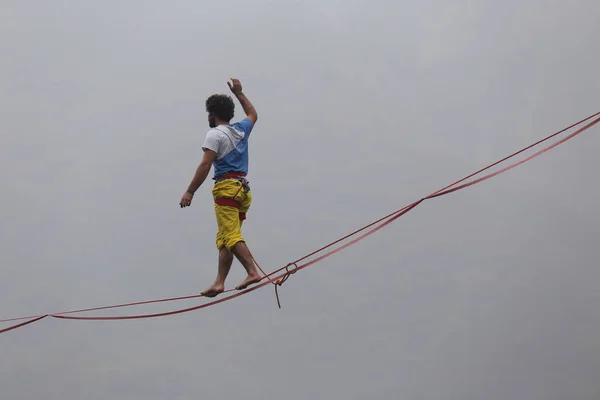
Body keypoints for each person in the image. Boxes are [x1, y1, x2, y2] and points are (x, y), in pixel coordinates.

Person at [179, 78, 262, 297]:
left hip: (226, 188)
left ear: (211, 115)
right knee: (226, 236)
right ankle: (219, 282)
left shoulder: (214, 135)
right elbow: (253, 114)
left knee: (231, 236)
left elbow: (205, 164)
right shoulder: (240, 130)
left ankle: (252, 271)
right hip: (242, 190)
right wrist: (240, 93)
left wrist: (190, 191)